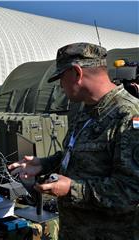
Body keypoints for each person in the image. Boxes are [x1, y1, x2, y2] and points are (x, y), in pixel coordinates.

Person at [8, 42, 139, 240]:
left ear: (77, 73)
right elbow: (77, 155)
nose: (60, 85)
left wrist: (72, 189)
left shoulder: (128, 115)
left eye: (61, 77)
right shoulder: (86, 111)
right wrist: (43, 164)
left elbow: (130, 191)